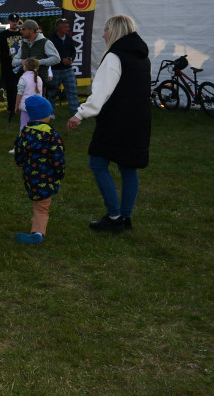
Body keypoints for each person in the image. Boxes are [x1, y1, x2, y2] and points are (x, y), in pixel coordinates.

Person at [67, 14, 151, 232]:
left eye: (105, 30)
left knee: (97, 163)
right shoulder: (141, 56)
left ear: (114, 31)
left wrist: (80, 114)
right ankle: (125, 217)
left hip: (117, 120)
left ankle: (114, 216)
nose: (103, 34)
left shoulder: (115, 56)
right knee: (128, 167)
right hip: (138, 120)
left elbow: (102, 92)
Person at [14, 94, 65, 244]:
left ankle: (36, 223)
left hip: (30, 176)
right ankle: (38, 233)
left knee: (38, 202)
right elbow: (58, 157)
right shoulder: (52, 135)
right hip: (47, 177)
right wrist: (60, 173)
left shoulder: (25, 133)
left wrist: (21, 164)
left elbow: (19, 155)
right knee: (42, 206)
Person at [11, 19, 60, 86]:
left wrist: (37, 62)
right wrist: (22, 61)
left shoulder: (45, 42)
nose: (21, 31)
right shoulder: (24, 44)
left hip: (40, 81)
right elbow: (14, 62)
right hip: (25, 81)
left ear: (31, 30)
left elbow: (56, 59)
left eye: (24, 29)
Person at [0, 13, 22, 119]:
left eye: (16, 21)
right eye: (12, 21)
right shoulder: (3, 35)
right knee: (10, 88)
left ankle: (20, 107)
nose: (14, 23)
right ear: (9, 22)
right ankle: (11, 108)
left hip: (21, 66)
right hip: (7, 66)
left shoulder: (23, 33)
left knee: (21, 87)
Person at [48, 17, 80, 115]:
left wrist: (71, 59)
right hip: (55, 70)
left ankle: (76, 113)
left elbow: (73, 51)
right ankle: (49, 113)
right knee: (51, 93)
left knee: (72, 92)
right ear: (59, 28)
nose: (68, 28)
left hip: (68, 69)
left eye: (68, 26)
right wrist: (61, 60)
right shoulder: (51, 38)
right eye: (66, 27)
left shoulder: (69, 37)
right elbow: (49, 53)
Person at [15, 58, 44, 131]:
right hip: (37, 107)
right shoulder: (39, 79)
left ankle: (24, 140)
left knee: (24, 126)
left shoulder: (23, 78)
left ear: (25, 67)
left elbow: (19, 94)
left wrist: (16, 106)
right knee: (36, 127)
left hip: (26, 108)